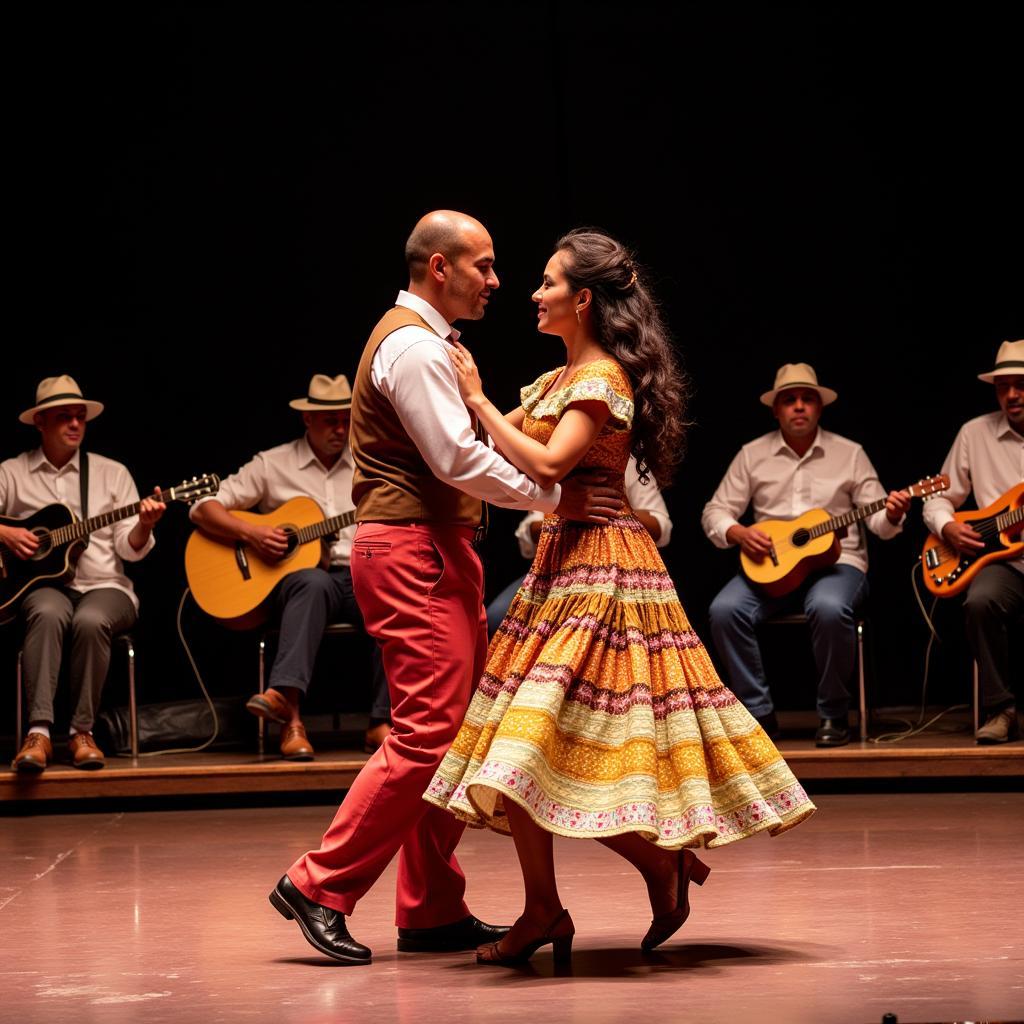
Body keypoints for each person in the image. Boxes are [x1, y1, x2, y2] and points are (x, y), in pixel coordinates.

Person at [426, 229, 815, 967]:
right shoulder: (555, 379)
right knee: (522, 752)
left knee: (549, 750)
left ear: (583, 298)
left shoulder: (602, 379)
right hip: (559, 568)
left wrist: (474, 398)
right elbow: (532, 466)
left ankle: (650, 868)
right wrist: (489, 423)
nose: (531, 294)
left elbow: (546, 461)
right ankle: (557, 904)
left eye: (546, 282)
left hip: (605, 576)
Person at [268, 211, 624, 964]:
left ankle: (430, 907)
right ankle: (317, 884)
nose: (497, 282)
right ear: (439, 268)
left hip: (437, 546)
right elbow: (457, 461)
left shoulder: (434, 347)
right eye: (484, 266)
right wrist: (555, 499)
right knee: (429, 730)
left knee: (460, 733)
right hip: (410, 550)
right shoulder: (413, 347)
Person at [701, 363, 911, 747]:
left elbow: (879, 521)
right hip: (773, 567)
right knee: (724, 610)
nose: (799, 406)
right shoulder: (752, 455)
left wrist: (892, 512)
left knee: (830, 608)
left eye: (807, 399)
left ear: (820, 407)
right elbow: (715, 511)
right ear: (776, 410)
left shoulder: (850, 454)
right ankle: (758, 715)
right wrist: (738, 531)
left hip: (839, 563)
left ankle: (833, 714)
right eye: (789, 400)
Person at [190, 374, 391, 760]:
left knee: (390, 588)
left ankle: (381, 721)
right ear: (307, 420)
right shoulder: (273, 464)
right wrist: (251, 533)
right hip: (306, 585)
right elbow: (203, 507)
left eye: (346, 419)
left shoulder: (370, 461)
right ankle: (290, 718)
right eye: (330, 420)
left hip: (359, 573)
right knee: (311, 582)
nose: (340, 428)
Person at [1, 375, 165, 772]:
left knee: (91, 620)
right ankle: (38, 733)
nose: (75, 424)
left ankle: (81, 732)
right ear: (40, 422)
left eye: (80, 417)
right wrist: (4, 531)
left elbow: (130, 548)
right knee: (48, 611)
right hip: (43, 588)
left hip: (106, 585)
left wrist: (145, 525)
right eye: (63, 417)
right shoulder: (12, 472)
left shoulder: (112, 473)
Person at [922, 339, 1024, 744]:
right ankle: (1002, 709)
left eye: (1020, 384)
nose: (1012, 394)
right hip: (1005, 562)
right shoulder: (974, 433)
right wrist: (947, 527)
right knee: (980, 601)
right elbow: (938, 496)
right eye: (1003, 386)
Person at [486, 454, 673, 636]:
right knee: (496, 617)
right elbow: (530, 531)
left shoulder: (629, 461)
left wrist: (611, 508)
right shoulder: (554, 462)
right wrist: (567, 506)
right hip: (556, 572)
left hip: (619, 570)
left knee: (605, 619)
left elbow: (661, 527)